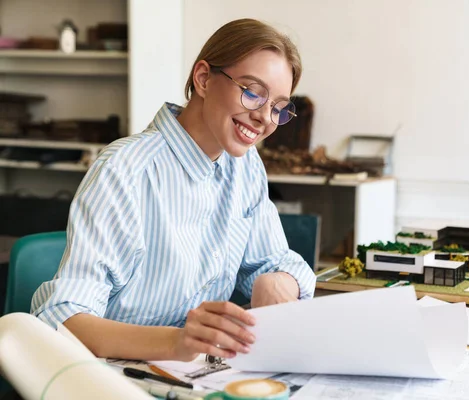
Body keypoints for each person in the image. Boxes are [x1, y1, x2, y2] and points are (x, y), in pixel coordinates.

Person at [31, 18, 316, 362]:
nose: (265, 119)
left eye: (278, 107)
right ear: (204, 78)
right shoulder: (126, 169)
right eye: (253, 92)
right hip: (115, 379)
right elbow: (62, 319)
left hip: (200, 375)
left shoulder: (245, 165)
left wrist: (278, 279)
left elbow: (269, 261)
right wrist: (176, 342)